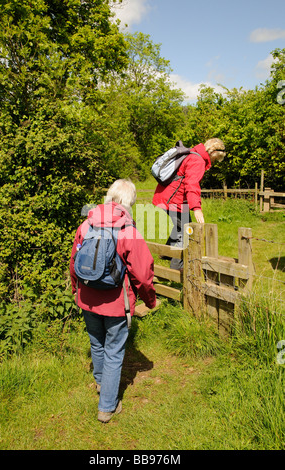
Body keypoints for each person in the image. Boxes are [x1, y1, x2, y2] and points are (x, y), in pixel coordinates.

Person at [70, 179, 156, 423]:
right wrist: (150, 301)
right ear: (129, 202)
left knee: (97, 344)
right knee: (114, 352)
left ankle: (100, 383)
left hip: (87, 299)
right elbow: (143, 273)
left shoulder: (86, 224)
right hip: (117, 303)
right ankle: (107, 406)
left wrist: (77, 289)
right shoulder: (128, 231)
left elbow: (74, 262)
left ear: (109, 197)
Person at [152, 138, 226, 270]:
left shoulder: (192, 153)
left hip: (168, 197)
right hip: (174, 200)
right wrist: (196, 208)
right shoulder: (197, 161)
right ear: (213, 152)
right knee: (186, 232)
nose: (215, 161)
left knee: (180, 227)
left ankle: (166, 253)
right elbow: (191, 185)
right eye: (217, 158)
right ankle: (176, 267)